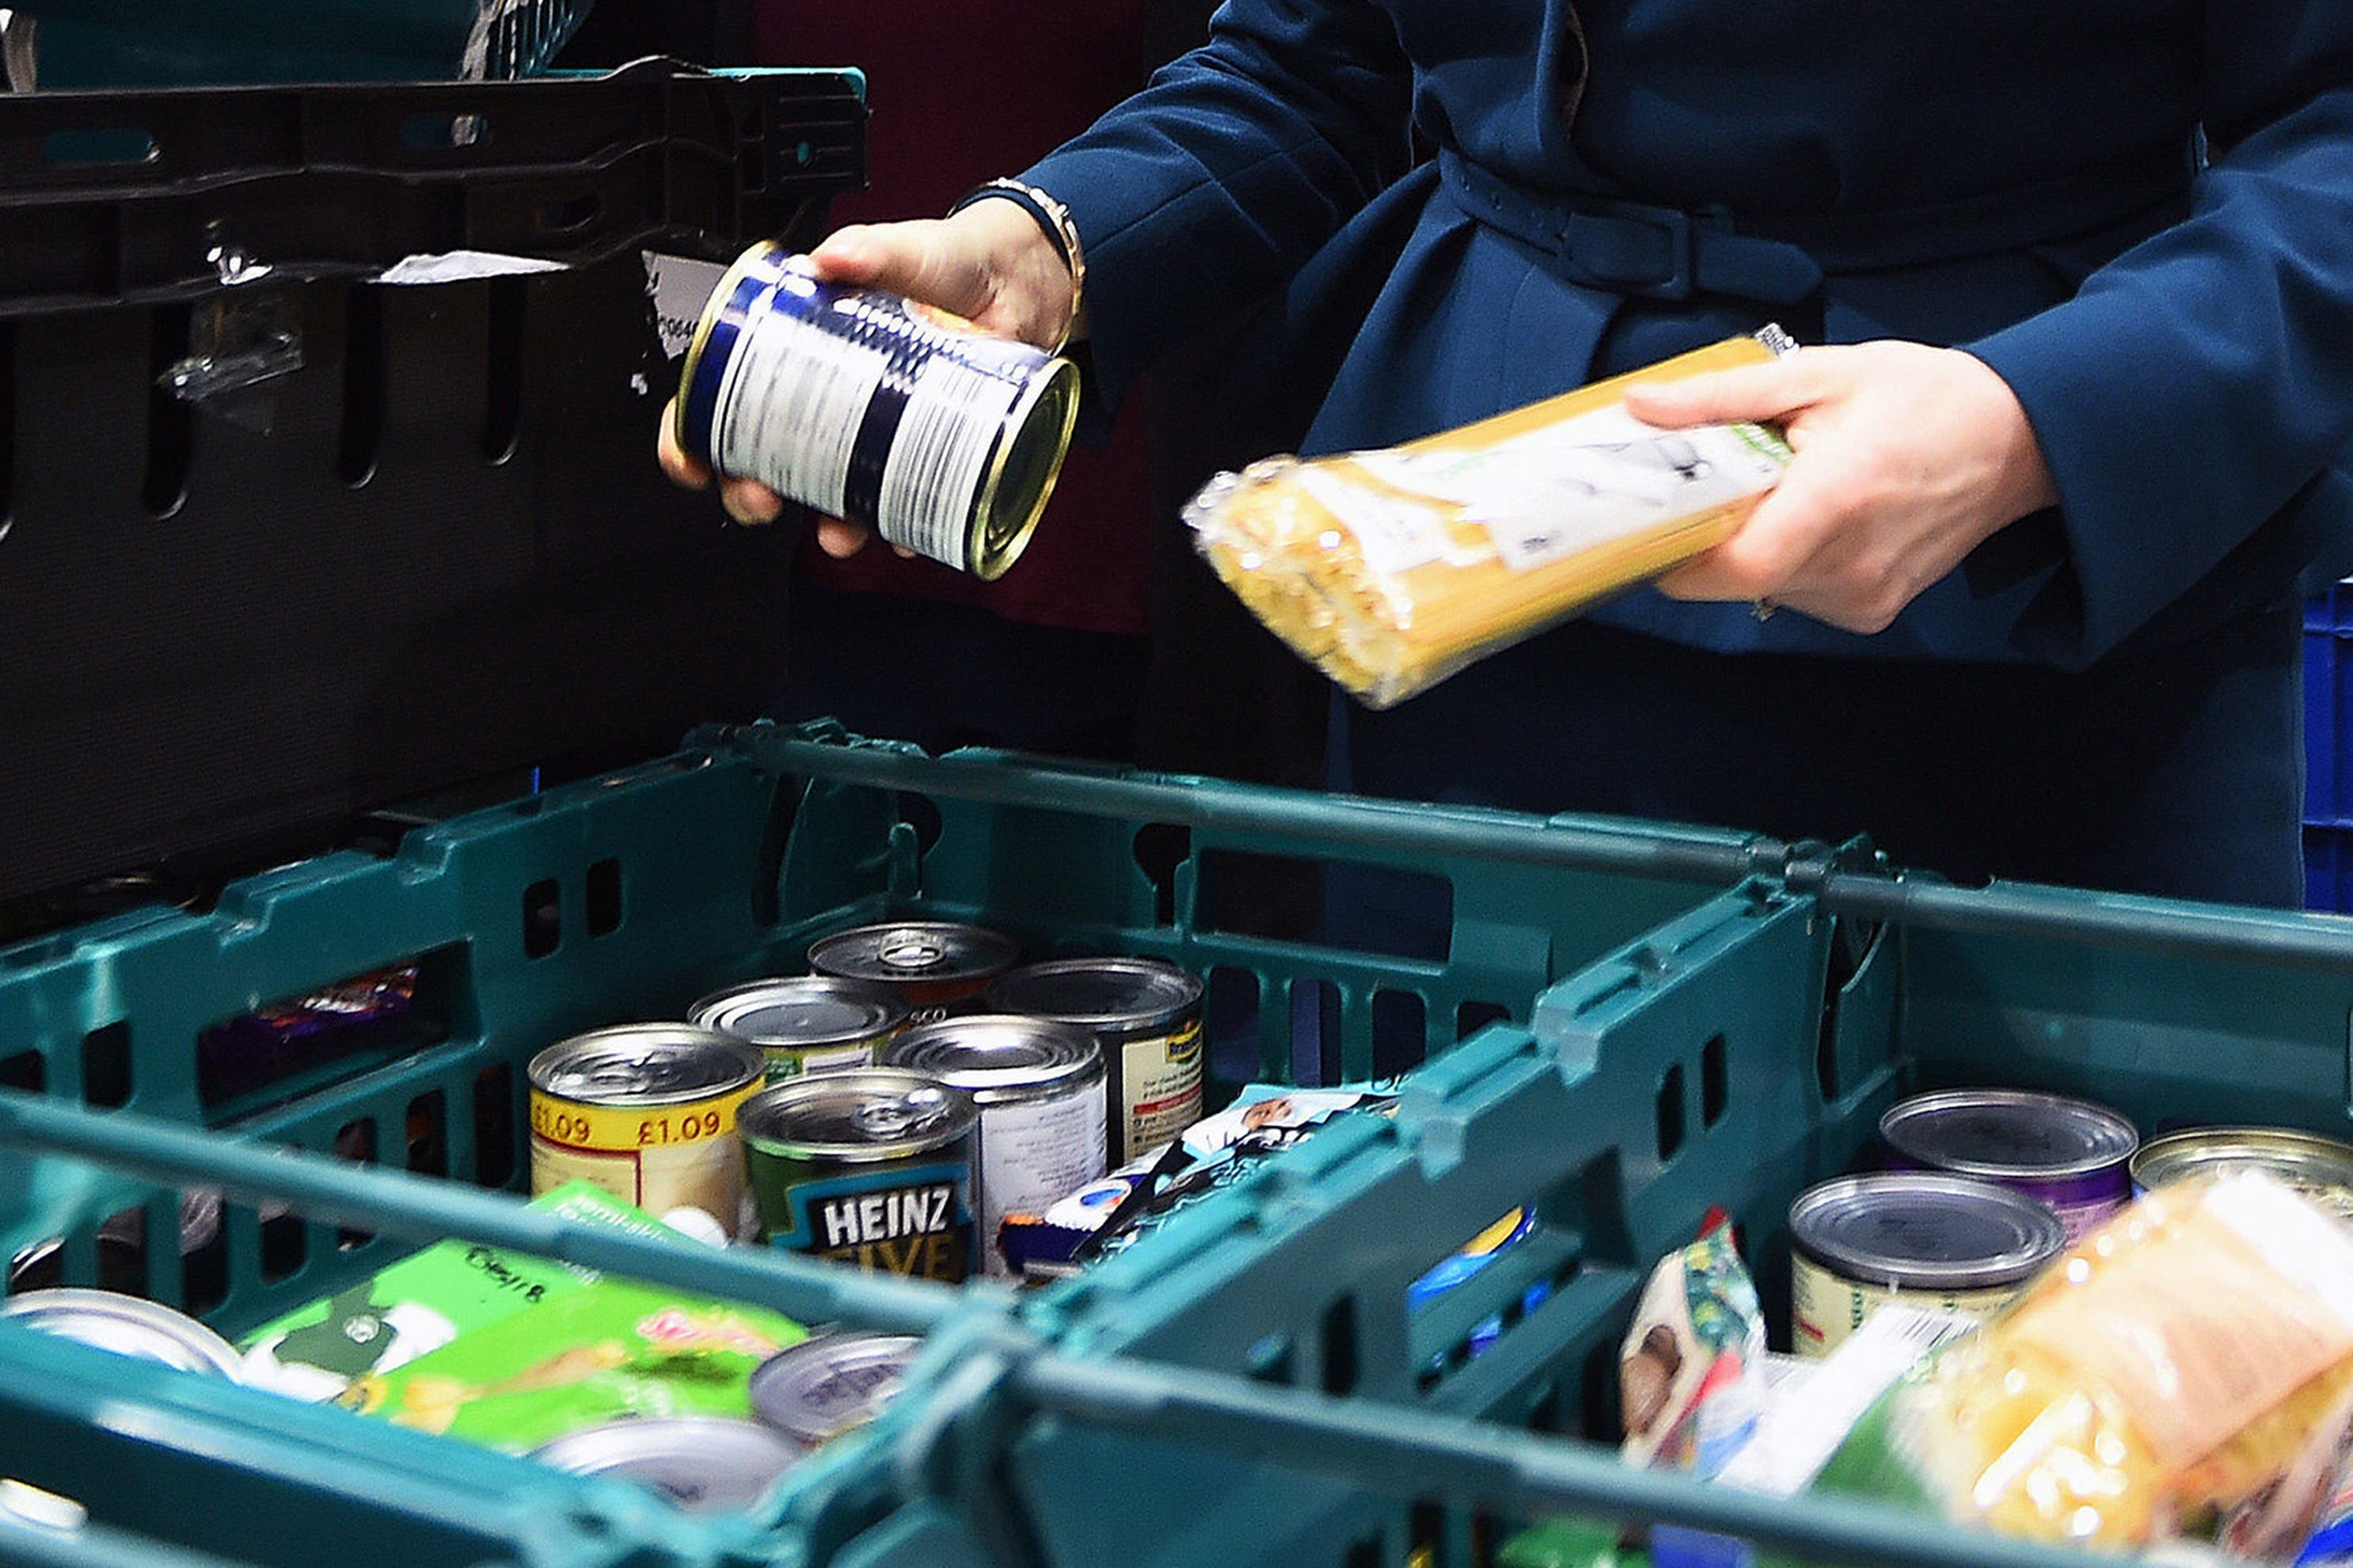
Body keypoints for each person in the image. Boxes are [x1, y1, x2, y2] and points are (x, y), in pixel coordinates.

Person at [662, 2, 2353, 910]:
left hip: (2034, 634)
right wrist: (1046, 249)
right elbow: (1321, 59)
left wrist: (2035, 421)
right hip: (1466, 611)